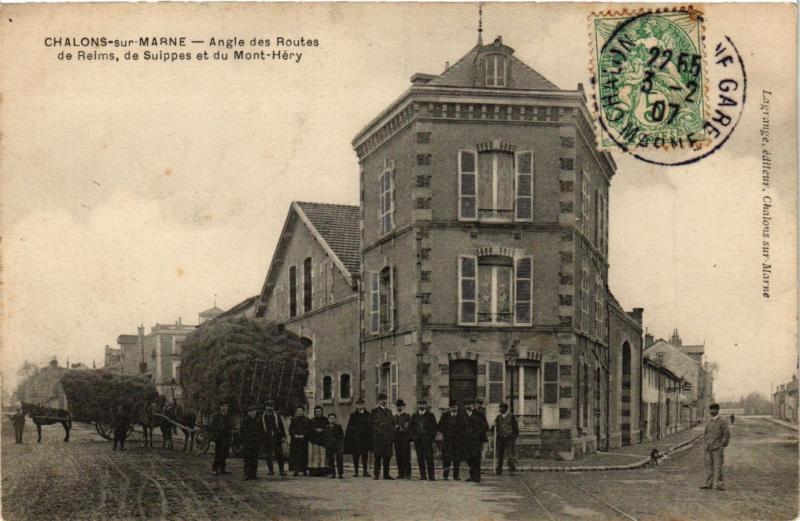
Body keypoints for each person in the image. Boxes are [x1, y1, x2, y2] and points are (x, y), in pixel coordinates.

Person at [700, 403, 731, 491]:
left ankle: (720, 485)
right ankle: (708, 484)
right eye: (711, 410)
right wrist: (706, 443)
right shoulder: (709, 421)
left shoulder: (722, 421)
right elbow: (705, 433)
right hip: (708, 448)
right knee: (708, 466)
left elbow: (726, 434)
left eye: (714, 410)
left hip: (717, 448)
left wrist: (722, 444)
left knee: (718, 466)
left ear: (717, 410)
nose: (712, 411)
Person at [410, 399, 437, 481]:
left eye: (423, 404)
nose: (421, 406)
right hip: (418, 441)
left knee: (429, 458)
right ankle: (423, 475)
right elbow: (411, 428)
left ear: (425, 405)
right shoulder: (414, 416)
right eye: (420, 404)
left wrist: (430, 438)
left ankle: (431, 476)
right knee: (420, 458)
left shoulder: (430, 416)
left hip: (427, 441)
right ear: (417, 406)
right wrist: (414, 437)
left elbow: (434, 428)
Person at [463, 399, 488, 483]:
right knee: (468, 457)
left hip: (476, 440)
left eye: (469, 404)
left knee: (476, 457)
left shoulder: (479, 414)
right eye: (466, 404)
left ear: (472, 405)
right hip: (466, 440)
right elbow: (460, 426)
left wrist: (477, 434)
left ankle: (476, 477)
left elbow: (485, 426)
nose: (468, 406)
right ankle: (472, 475)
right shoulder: (463, 415)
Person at [344, 398, 371, 477]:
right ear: (356, 406)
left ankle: (365, 471)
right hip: (356, 439)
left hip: (365, 439)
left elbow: (370, 427)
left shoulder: (368, 415)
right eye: (358, 405)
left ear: (364, 405)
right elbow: (350, 427)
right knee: (355, 455)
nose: (360, 406)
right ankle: (356, 471)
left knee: (365, 455)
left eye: (362, 404)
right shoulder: (353, 415)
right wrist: (350, 437)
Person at [370, 393, 394, 480]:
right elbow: (372, 424)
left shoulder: (389, 412)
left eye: (385, 399)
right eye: (382, 400)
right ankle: (376, 474)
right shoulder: (374, 411)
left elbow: (392, 424)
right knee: (378, 457)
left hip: (387, 438)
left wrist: (391, 434)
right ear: (379, 401)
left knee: (387, 456)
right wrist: (378, 431)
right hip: (378, 438)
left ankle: (386, 474)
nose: (384, 401)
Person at [438, 400, 463, 480]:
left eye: (455, 407)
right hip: (447, 440)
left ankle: (456, 476)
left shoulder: (460, 416)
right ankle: (445, 475)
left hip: (457, 441)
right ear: (449, 408)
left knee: (457, 459)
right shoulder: (445, 416)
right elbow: (440, 426)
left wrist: (460, 434)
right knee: (446, 458)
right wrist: (446, 432)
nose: (453, 409)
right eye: (452, 407)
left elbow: (464, 427)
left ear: (457, 407)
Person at [261, 400, 287, 477]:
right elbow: (260, 428)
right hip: (267, 438)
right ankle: (271, 470)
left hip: (276, 438)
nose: (269, 408)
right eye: (268, 406)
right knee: (268, 455)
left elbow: (281, 427)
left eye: (271, 406)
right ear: (265, 407)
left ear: (273, 407)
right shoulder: (262, 417)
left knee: (279, 454)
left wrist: (283, 436)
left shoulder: (277, 416)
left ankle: (281, 470)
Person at [492, 402, 519, 475]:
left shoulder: (511, 416)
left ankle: (511, 469)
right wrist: (493, 425)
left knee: (510, 454)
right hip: (501, 438)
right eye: (500, 407)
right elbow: (494, 429)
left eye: (502, 408)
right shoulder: (498, 417)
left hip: (509, 438)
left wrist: (513, 437)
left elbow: (516, 429)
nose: (501, 409)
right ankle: (499, 470)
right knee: (500, 455)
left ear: (506, 409)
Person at [209, 401, 233, 475]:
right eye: (223, 406)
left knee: (225, 453)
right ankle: (215, 469)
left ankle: (222, 469)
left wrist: (230, 435)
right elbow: (212, 427)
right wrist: (214, 436)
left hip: (227, 438)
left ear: (227, 408)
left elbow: (230, 427)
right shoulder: (216, 416)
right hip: (219, 438)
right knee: (218, 454)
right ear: (220, 407)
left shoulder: (228, 417)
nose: (224, 408)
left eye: (226, 406)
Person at [240, 405, 264, 480]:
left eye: (254, 411)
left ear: (256, 412)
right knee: (247, 459)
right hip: (248, 443)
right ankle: (246, 474)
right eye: (250, 411)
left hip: (256, 442)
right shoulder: (245, 420)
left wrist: (260, 440)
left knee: (255, 459)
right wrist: (244, 442)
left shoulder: (258, 420)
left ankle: (253, 474)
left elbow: (261, 431)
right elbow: (242, 432)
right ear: (248, 413)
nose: (252, 413)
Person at [307, 406, 330, 476]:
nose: (318, 413)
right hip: (314, 440)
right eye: (316, 412)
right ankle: (314, 471)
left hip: (323, 440)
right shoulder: (312, 421)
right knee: (315, 456)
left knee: (323, 455)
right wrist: (315, 430)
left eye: (319, 411)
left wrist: (322, 430)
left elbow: (328, 428)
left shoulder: (326, 420)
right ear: (314, 412)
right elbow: (309, 430)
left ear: (322, 412)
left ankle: (323, 471)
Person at [393, 399, 412, 479]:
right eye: (398, 406)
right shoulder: (394, 417)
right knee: (399, 456)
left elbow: (408, 427)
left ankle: (407, 473)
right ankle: (401, 473)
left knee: (406, 456)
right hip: (397, 439)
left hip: (405, 439)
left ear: (403, 407)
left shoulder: (407, 416)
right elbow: (391, 427)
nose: (399, 408)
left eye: (400, 406)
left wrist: (401, 428)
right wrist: (395, 428)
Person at [323, 413, 345, 479]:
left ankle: (340, 473)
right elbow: (324, 437)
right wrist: (326, 444)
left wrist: (340, 444)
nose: (332, 420)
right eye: (330, 418)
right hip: (329, 445)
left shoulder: (338, 427)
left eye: (333, 418)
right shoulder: (326, 427)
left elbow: (342, 436)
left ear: (335, 419)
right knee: (330, 459)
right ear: (328, 419)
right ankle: (333, 473)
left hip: (337, 445)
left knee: (339, 458)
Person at [289, 406, 310, 476]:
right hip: (295, 441)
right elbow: (290, 429)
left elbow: (308, 429)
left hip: (304, 440)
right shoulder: (293, 420)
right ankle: (296, 470)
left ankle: (304, 470)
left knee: (304, 455)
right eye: (297, 411)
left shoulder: (307, 420)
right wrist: (294, 435)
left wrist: (303, 435)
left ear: (303, 412)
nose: (299, 412)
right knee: (295, 456)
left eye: (300, 411)